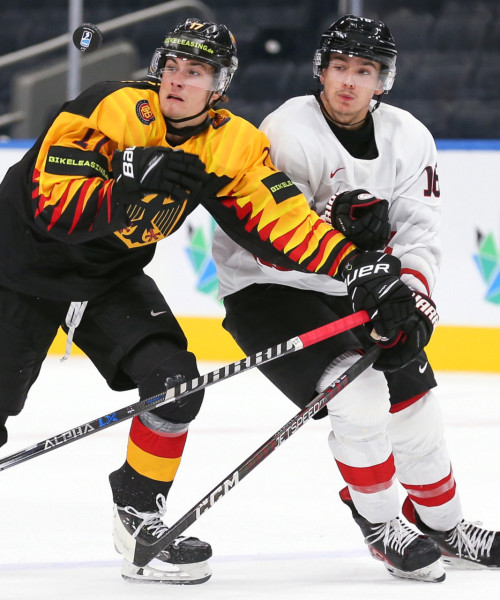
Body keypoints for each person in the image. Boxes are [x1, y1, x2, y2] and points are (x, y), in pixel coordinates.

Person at [0, 18, 424, 585]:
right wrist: (123, 187)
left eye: (195, 71)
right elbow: (51, 205)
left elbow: (282, 221)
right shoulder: (110, 109)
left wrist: (357, 267)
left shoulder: (233, 145)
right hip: (16, 268)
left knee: (176, 384)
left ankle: (138, 518)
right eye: (171, 67)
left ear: (219, 85)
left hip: (106, 278)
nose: (177, 80)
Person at [213, 14, 500, 582]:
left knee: (416, 399)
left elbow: (419, 235)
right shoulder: (287, 130)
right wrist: (335, 226)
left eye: (363, 70)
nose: (348, 81)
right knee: (359, 394)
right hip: (269, 288)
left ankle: (443, 524)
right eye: (339, 67)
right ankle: (380, 523)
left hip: (361, 286)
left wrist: (412, 299)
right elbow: (272, 238)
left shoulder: (410, 136)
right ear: (322, 70)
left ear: (382, 81)